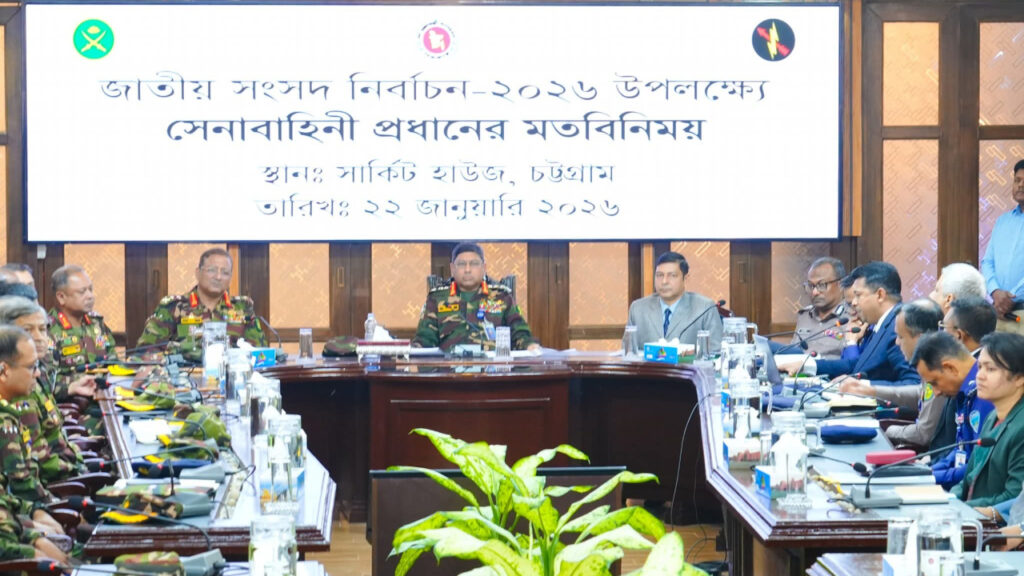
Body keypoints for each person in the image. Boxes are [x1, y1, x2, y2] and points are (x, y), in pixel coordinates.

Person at [781, 262, 920, 388]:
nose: (854, 303)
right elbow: (858, 364)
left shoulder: (899, 326)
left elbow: (914, 384)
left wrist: (862, 386)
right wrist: (809, 365)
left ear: (880, 295)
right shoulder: (881, 324)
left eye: (858, 295)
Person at [0, 296, 84, 484]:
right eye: (27, 330)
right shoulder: (18, 389)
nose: (38, 338)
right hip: (50, 483)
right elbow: (38, 458)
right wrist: (79, 469)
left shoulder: (37, 373)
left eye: (43, 329)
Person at [137, 248, 267, 362]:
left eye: (225, 272)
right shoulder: (174, 306)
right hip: (183, 378)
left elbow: (260, 354)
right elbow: (145, 351)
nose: (218, 277)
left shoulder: (242, 307)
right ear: (198, 273)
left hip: (232, 376)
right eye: (212, 270)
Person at [413, 243, 540, 352]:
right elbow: (424, 339)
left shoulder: (502, 297)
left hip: (493, 370)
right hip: (448, 370)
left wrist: (529, 346)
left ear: (484, 268)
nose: (467, 269)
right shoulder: (437, 299)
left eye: (474, 264)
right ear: (452, 268)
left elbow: (520, 333)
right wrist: (414, 350)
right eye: (461, 264)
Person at [0, 325, 66, 534]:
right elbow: (20, 486)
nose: (37, 373)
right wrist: (36, 528)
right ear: (4, 371)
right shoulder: (4, 422)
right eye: (31, 367)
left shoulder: (9, 411)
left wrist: (38, 511)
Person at [949, 332, 1024, 508]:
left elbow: (1014, 497)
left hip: (995, 522)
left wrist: (964, 508)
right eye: (979, 367)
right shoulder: (992, 417)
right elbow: (969, 478)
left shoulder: (1021, 428)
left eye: (990, 369)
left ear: (1019, 378)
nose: (979, 376)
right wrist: (949, 499)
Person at [910, 331, 992, 489]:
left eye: (934, 383)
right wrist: (926, 472)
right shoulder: (962, 392)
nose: (936, 393)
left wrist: (932, 477)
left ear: (950, 368)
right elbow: (960, 448)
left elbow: (979, 466)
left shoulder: (984, 394)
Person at [47, 265, 116, 402]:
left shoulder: (96, 323)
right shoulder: (49, 330)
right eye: (82, 292)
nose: (90, 296)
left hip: (104, 396)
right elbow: (46, 383)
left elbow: (113, 360)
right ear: (61, 297)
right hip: (72, 403)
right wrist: (72, 386)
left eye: (90, 289)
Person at [627, 251, 723, 349]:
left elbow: (715, 351)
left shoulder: (704, 308)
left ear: (685, 279)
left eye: (672, 275)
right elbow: (627, 352)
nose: (664, 281)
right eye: (659, 275)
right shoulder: (638, 308)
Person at [981, 159, 1024, 335]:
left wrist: (1011, 296)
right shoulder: (1002, 221)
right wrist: (995, 291)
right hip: (999, 314)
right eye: (1017, 180)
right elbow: (987, 262)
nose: (1021, 185)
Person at [789, 257, 850, 358]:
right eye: (810, 286)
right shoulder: (804, 316)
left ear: (840, 284)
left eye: (821, 285)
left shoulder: (851, 317)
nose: (815, 292)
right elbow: (792, 351)